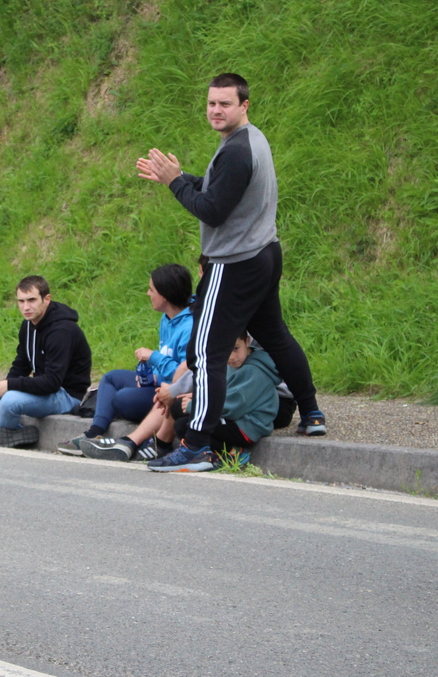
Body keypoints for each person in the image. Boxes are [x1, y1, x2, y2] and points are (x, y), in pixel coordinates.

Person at [136, 72, 325, 474]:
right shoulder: (249, 139)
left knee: (207, 353)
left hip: (235, 261)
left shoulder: (238, 150)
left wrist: (174, 184)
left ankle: (197, 445)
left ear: (244, 105)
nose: (216, 111)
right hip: (264, 253)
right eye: (211, 103)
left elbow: (213, 209)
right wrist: (181, 178)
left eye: (225, 103)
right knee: (274, 334)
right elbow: (220, 188)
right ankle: (311, 412)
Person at [58, 264, 193, 457]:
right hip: (158, 383)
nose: (148, 293)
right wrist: (153, 376)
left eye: (152, 290)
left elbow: (185, 375)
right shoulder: (166, 319)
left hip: (171, 391)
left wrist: (153, 357)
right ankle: (94, 432)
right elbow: (167, 360)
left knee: (122, 398)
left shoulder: (189, 326)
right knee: (111, 378)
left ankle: (131, 439)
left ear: (165, 294)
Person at [0, 275, 92, 448]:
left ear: (46, 299)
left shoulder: (62, 331)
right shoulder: (28, 325)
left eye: (31, 300)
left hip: (65, 395)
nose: (26, 307)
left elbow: (52, 382)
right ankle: (13, 434)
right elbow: (20, 366)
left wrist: (9, 386)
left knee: (10, 400)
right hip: (44, 391)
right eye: (21, 301)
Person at [148, 333, 282, 471]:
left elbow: (232, 407)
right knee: (178, 408)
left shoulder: (253, 371)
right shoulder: (232, 363)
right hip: (232, 416)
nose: (231, 356)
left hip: (247, 426)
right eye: (226, 350)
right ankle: (212, 452)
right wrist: (197, 399)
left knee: (184, 426)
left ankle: (233, 452)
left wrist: (195, 406)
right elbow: (218, 391)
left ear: (247, 342)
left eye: (235, 349)